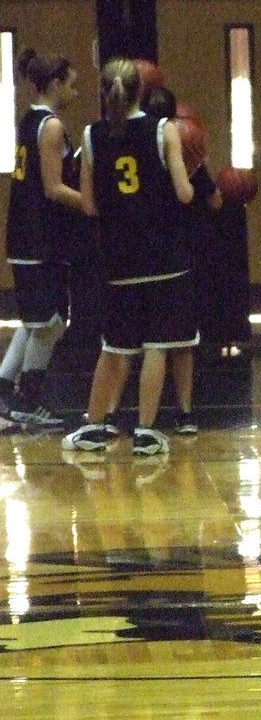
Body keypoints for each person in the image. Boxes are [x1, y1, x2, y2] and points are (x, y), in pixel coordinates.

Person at [60, 57, 195, 457]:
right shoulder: (162, 129)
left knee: (115, 347)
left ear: (105, 92)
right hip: (165, 258)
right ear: (143, 90)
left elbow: (88, 206)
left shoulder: (91, 135)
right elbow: (185, 193)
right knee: (156, 344)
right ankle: (147, 432)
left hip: (119, 259)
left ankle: (94, 425)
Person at [2, 48, 83, 431]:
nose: (76, 92)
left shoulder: (27, 119)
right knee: (51, 323)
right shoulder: (50, 126)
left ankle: (4, 392)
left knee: (35, 322)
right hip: (39, 240)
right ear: (55, 83)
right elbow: (53, 188)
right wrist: (93, 203)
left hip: (24, 236)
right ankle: (28, 401)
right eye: (72, 84)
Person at [141, 85, 222, 436]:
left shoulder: (127, 145)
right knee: (180, 342)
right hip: (178, 254)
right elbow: (214, 201)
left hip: (137, 254)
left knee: (131, 346)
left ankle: (127, 417)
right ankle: (184, 413)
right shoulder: (182, 149)